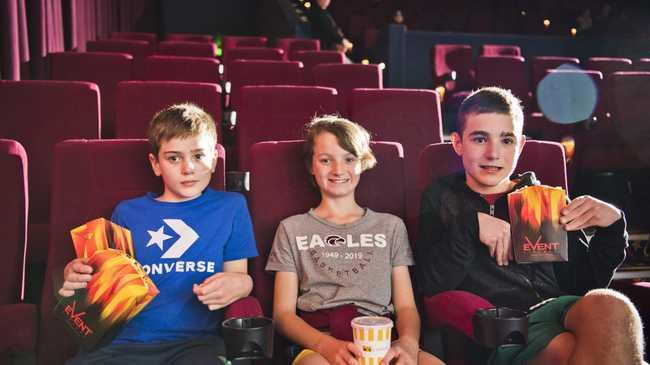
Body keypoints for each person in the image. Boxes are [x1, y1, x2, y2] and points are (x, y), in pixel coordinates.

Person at [416, 87, 645, 364]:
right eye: (480, 139)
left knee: (613, 305)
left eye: (507, 140)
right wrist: (470, 226)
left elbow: (583, 285)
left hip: (559, 311)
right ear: (457, 143)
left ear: (521, 145)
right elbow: (429, 284)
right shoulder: (440, 198)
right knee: (574, 348)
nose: (493, 153)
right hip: (504, 329)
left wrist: (612, 228)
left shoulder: (544, 198)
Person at [59, 103, 258, 364]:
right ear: (155, 164)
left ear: (213, 159)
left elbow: (238, 277)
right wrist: (76, 274)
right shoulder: (127, 212)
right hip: (122, 344)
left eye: (198, 156)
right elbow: (106, 282)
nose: (188, 168)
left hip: (195, 343)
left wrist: (243, 284)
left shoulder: (231, 207)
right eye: (174, 158)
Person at [266, 115, 444, 365]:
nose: (338, 170)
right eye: (326, 160)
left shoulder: (390, 226)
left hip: (383, 341)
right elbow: (283, 315)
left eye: (348, 159)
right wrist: (325, 346)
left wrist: (407, 344)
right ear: (311, 166)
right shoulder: (292, 228)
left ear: (363, 162)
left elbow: (405, 307)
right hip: (320, 345)